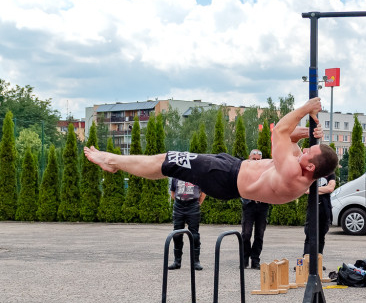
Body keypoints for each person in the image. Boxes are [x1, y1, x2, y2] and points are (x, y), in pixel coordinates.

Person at [85, 98, 338, 204]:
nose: (304, 151)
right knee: (170, 164)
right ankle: (114, 162)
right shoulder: (300, 170)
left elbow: (279, 133)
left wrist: (305, 108)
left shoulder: (293, 173)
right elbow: (291, 138)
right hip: (231, 169)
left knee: (168, 160)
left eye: (308, 154)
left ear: (311, 166)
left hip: (225, 176)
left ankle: (111, 161)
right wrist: (308, 132)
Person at [240, 149, 271, 269]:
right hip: (249, 205)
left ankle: (255, 260)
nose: (256, 161)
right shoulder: (244, 171)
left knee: (260, 234)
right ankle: (244, 259)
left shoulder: (266, 171)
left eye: (258, 159)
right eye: (254, 159)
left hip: (262, 206)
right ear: (249, 158)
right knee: (246, 234)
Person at [168, 177, 205, 270]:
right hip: (178, 206)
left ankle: (196, 262)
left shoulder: (197, 173)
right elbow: (173, 192)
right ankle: (177, 261)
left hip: (193, 206)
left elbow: (203, 192)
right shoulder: (175, 175)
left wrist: (197, 204)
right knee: (176, 234)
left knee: (194, 235)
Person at [304, 166, 336, 256]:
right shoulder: (311, 174)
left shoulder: (330, 173)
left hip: (325, 208)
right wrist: (324, 189)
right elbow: (306, 190)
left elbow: (330, 188)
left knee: (321, 235)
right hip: (312, 207)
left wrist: (313, 190)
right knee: (309, 235)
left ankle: (318, 260)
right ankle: (306, 259)